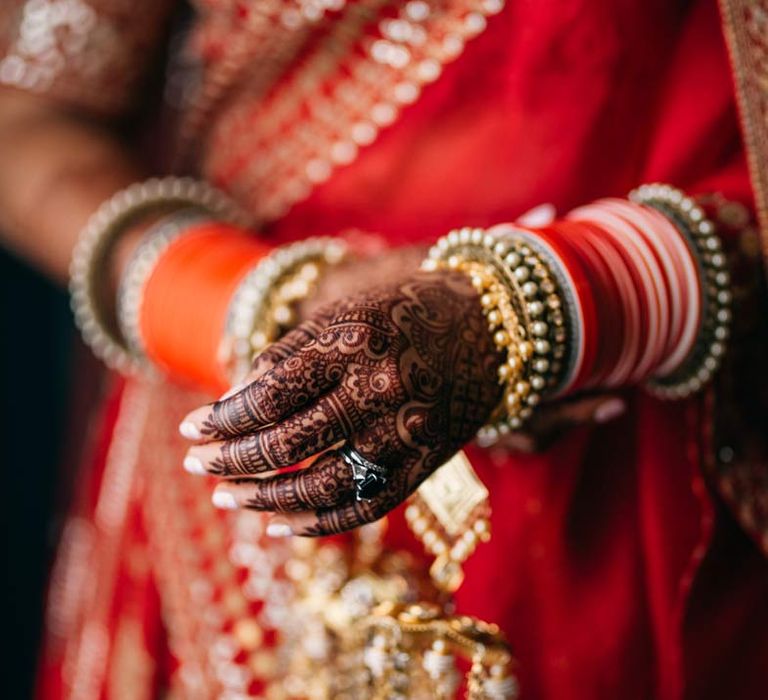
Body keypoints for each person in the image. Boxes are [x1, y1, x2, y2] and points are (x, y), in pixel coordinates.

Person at [1, 0, 767, 697]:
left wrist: (541, 303)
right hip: (243, 467)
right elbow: (23, 124)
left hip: (643, 471)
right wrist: (259, 305)